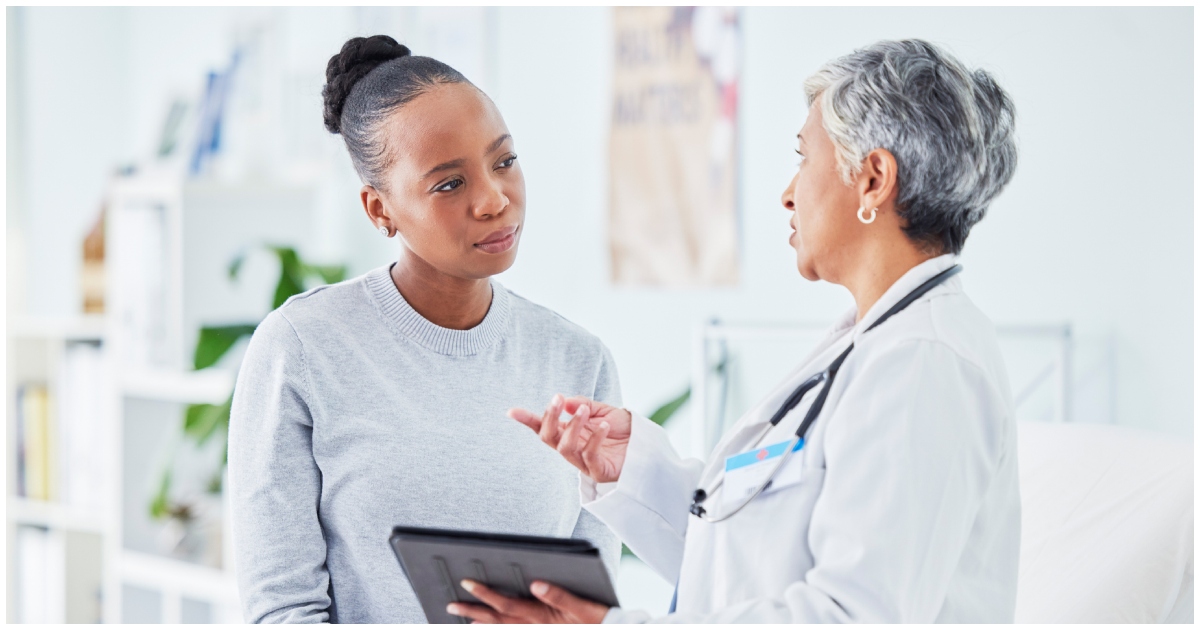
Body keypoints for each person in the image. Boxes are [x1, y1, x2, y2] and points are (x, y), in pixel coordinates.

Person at [449, 39, 1022, 623]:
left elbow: (851, 616)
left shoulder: (922, 363)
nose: (788, 193)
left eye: (804, 157)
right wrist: (636, 469)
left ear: (873, 180)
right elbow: (750, 564)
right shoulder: (875, 345)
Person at [227, 35, 620, 623]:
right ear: (379, 209)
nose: (494, 200)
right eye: (449, 183)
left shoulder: (577, 361)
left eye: (504, 161)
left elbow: (589, 609)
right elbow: (282, 610)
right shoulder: (302, 348)